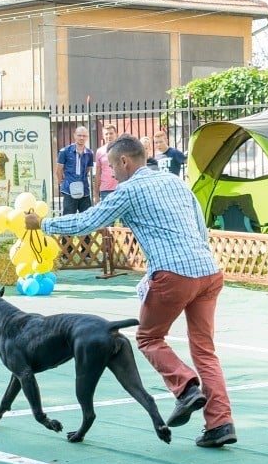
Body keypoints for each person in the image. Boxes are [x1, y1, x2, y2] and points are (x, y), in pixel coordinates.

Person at [26, 134, 236, 448]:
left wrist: (42, 225)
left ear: (125, 161)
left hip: (173, 274)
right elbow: (199, 225)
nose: (111, 173)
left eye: (111, 166)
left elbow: (87, 221)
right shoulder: (176, 182)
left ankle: (187, 388)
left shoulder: (128, 190)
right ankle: (220, 424)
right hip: (208, 272)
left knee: (149, 337)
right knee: (205, 351)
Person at [56, 126, 93, 214]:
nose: (81, 138)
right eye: (79, 135)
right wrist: (62, 183)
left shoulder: (89, 153)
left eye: (84, 136)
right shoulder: (64, 151)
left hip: (84, 190)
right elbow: (58, 170)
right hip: (69, 189)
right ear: (74, 136)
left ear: (87, 137)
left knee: (86, 217)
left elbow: (88, 169)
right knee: (68, 217)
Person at [94, 124, 119, 203]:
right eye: (106, 134)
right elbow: (98, 173)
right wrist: (96, 195)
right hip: (105, 190)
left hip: (120, 187)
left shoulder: (123, 149)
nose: (109, 136)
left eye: (111, 133)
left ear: (116, 134)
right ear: (103, 136)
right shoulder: (99, 151)